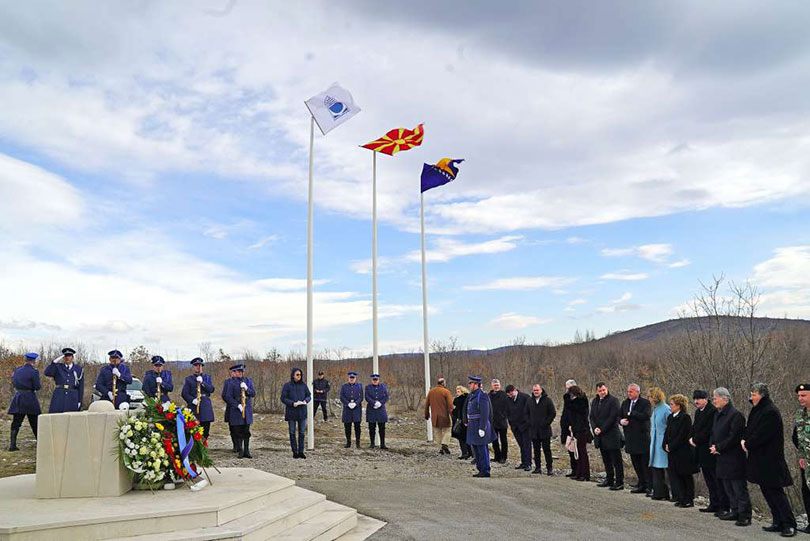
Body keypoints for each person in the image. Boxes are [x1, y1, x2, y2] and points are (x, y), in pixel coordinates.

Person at [743, 383, 796, 537]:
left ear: (762, 395)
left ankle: (789, 523)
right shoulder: (757, 410)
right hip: (759, 458)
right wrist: (744, 439)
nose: (751, 397)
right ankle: (778, 521)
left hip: (770, 459)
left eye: (754, 394)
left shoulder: (770, 412)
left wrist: (747, 443)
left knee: (776, 491)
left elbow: (762, 435)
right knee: (766, 490)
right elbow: (750, 429)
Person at [710, 387, 751, 526]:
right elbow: (714, 432)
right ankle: (734, 510)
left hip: (734, 458)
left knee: (738, 487)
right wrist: (713, 446)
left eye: (716, 398)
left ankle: (745, 514)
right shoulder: (717, 414)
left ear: (725, 399)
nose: (714, 400)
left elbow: (733, 437)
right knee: (727, 486)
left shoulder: (736, 415)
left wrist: (719, 447)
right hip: (721, 456)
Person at [690, 389, 728, 516]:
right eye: (695, 399)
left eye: (699, 399)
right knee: (709, 479)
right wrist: (691, 438)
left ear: (706, 399)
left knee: (716, 479)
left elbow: (708, 430)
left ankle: (722, 505)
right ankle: (713, 503)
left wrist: (696, 439)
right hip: (700, 450)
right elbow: (695, 427)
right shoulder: (698, 412)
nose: (696, 401)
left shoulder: (712, 411)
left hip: (709, 450)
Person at [663, 394, 698, 508]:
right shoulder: (670, 417)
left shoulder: (685, 417)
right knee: (676, 475)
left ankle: (689, 499)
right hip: (672, 451)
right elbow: (667, 432)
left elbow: (682, 435)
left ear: (679, 405)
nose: (670, 406)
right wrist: (665, 444)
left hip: (683, 452)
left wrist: (672, 445)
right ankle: (681, 497)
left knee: (685, 475)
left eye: (672, 404)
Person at [590, 382, 624, 490]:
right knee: (606, 459)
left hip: (612, 434)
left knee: (616, 460)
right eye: (600, 391)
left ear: (607, 389)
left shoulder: (613, 400)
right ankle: (609, 479)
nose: (602, 392)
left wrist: (602, 429)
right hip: (600, 436)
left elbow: (613, 417)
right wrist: (595, 428)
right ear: (597, 391)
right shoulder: (595, 401)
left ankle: (619, 482)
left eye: (604, 390)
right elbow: (592, 417)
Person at [620, 383, 651, 494]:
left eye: (631, 391)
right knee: (635, 462)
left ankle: (648, 485)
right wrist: (621, 421)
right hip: (630, 437)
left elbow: (646, 416)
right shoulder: (625, 403)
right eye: (628, 391)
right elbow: (620, 415)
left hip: (641, 437)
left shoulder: (645, 403)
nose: (629, 393)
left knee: (644, 463)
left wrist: (632, 413)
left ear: (638, 392)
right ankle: (641, 483)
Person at [7, 353, 41, 451]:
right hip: (30, 398)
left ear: (26, 360)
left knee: (16, 422)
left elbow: (14, 383)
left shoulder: (17, 370)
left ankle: (12, 445)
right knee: (35, 423)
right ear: (34, 361)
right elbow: (37, 387)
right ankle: (40, 443)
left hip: (18, 397)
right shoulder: (34, 372)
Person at [223, 363, 256, 459]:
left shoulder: (248, 381)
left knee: (246, 431)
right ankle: (240, 450)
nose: (240, 373)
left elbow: (253, 393)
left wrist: (247, 388)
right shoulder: (231, 383)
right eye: (239, 371)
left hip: (247, 408)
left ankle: (247, 451)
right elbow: (228, 397)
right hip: (236, 410)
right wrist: (237, 405)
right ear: (235, 372)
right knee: (237, 431)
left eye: (242, 371)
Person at [466, 376, 495, 478]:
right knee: (475, 448)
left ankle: (485, 470)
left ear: (476, 384)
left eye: (471, 383)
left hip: (479, 425)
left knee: (482, 449)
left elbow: (485, 413)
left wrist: (482, 427)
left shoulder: (482, 395)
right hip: (473, 425)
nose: (469, 385)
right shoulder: (472, 395)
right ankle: (480, 469)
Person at [280, 367, 311, 459]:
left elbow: (309, 395)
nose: (299, 376)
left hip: (302, 412)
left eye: (300, 375)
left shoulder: (303, 385)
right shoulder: (287, 385)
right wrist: (292, 403)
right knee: (292, 432)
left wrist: (306, 401)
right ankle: (295, 451)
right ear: (293, 375)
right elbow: (283, 398)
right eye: (297, 374)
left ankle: (301, 451)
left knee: (302, 432)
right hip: (292, 412)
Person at [181, 358, 215, 441]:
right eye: (196, 365)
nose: (198, 367)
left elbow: (211, 389)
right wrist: (192, 400)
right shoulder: (189, 379)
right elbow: (184, 393)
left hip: (205, 406)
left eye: (200, 365)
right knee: (193, 430)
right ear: (193, 367)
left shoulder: (207, 378)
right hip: (194, 406)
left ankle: (204, 444)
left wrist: (202, 383)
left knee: (205, 430)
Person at [793, 383, 810, 535]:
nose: (800, 398)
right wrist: (801, 455)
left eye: (803, 395)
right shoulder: (800, 414)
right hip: (805, 461)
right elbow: (797, 437)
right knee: (806, 491)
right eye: (799, 396)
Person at [44, 347, 84, 413]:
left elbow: (81, 386)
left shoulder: (78, 369)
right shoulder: (58, 367)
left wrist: (79, 400)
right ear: (63, 358)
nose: (67, 358)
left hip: (72, 396)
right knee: (56, 416)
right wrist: (54, 362)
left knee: (71, 416)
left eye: (69, 356)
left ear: (72, 358)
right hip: (59, 395)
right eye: (65, 356)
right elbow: (47, 372)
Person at [648, 387, 671, 500]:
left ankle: (666, 492)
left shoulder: (666, 409)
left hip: (663, 442)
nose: (649, 399)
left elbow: (670, 426)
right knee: (656, 468)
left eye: (650, 396)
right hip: (655, 442)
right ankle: (658, 491)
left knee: (664, 467)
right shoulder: (656, 409)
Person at [529, 383, 556, 475]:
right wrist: (530, 423)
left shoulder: (547, 400)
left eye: (537, 390)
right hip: (534, 430)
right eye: (534, 390)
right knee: (536, 450)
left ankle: (549, 468)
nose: (536, 392)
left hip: (545, 430)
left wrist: (546, 423)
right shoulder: (530, 400)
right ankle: (538, 468)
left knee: (547, 450)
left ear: (541, 390)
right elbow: (526, 413)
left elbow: (553, 413)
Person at [424, 377, 454, 455]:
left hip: (434, 417)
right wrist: (453, 415)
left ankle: (441, 448)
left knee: (437, 432)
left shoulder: (431, 392)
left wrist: (426, 414)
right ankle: (444, 444)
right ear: (443, 383)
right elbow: (450, 405)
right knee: (447, 430)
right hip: (445, 416)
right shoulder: (446, 392)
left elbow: (426, 404)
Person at [567, 385, 591, 481]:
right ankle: (579, 472)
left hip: (582, 429)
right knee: (578, 451)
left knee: (582, 451)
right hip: (576, 428)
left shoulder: (581, 401)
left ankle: (585, 474)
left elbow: (580, 414)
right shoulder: (577, 401)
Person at [506, 384, 532, 471]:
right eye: (509, 394)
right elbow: (507, 411)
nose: (510, 395)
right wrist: (511, 423)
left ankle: (528, 464)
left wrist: (528, 423)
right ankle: (524, 462)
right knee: (521, 445)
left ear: (515, 390)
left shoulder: (525, 397)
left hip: (525, 426)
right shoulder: (508, 399)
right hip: (515, 426)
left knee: (527, 445)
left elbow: (530, 411)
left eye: (511, 393)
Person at [365, 374, 389, 449]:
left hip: (381, 409)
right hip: (371, 409)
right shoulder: (368, 387)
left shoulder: (383, 387)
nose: (375, 381)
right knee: (371, 427)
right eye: (374, 380)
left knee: (382, 427)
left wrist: (380, 403)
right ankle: (372, 444)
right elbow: (367, 397)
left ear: (378, 380)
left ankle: (382, 444)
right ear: (372, 380)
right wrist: (374, 403)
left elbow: (386, 396)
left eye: (376, 380)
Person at [560, 379, 578, 477]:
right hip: (567, 427)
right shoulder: (567, 398)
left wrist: (572, 424)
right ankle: (574, 470)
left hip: (575, 427)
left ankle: (579, 471)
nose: (567, 390)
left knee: (576, 450)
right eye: (566, 388)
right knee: (570, 449)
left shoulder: (579, 398)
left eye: (569, 388)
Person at [489, 379, 510, 464]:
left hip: (502, 421)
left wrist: (504, 416)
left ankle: (503, 457)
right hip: (492, 421)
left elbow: (508, 407)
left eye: (497, 385)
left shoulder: (504, 395)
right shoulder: (489, 395)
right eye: (495, 385)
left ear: (500, 385)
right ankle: (497, 456)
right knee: (494, 440)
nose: (496, 386)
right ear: (492, 386)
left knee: (503, 440)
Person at [340, 372, 363, 449]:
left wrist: (356, 403)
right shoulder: (344, 386)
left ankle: (358, 443)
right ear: (348, 378)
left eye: (353, 378)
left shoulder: (359, 386)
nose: (352, 379)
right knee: (347, 427)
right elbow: (341, 397)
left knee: (357, 427)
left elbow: (361, 397)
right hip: (347, 409)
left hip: (356, 409)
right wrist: (348, 403)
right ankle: (348, 442)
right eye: (350, 378)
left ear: (355, 378)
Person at [221, 365, 239, 453]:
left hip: (241, 407)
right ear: (231, 373)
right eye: (233, 372)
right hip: (231, 407)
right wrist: (232, 402)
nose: (235, 373)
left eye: (236, 371)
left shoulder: (243, 381)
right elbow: (224, 395)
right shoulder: (228, 382)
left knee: (241, 428)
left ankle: (240, 445)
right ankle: (235, 445)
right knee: (232, 428)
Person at [452, 386, 471, 460]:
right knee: (467, 437)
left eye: (458, 391)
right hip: (467, 420)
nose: (457, 393)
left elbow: (456, 408)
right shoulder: (468, 398)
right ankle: (470, 452)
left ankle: (464, 453)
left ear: (462, 392)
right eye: (456, 392)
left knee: (461, 438)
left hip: (461, 421)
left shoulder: (459, 400)